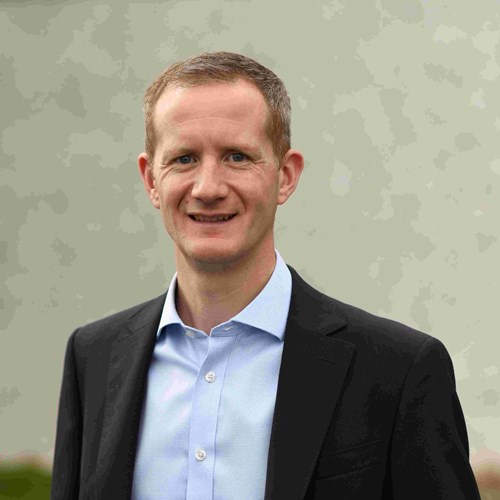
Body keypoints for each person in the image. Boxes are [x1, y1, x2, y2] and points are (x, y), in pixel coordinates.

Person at [51, 52, 480, 500]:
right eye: (184, 158)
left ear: (286, 177)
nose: (208, 188)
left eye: (237, 156)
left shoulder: (398, 371)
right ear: (151, 180)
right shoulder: (93, 358)